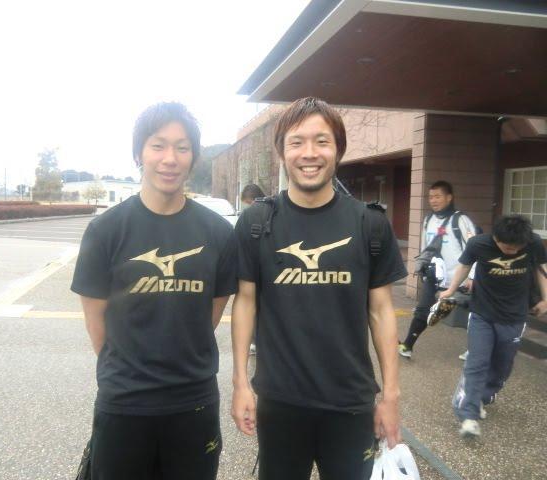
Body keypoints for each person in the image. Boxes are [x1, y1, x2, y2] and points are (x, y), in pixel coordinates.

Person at [230, 97, 407, 480]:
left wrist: (390, 395)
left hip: (350, 402)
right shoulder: (257, 223)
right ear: (282, 152)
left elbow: (381, 311)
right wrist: (240, 382)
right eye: (297, 142)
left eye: (321, 141)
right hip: (280, 402)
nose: (309, 153)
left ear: (338, 150)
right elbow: (245, 303)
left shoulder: (369, 224)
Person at [71, 102, 238, 480]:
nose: (170, 159)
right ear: (139, 154)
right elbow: (96, 322)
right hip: (124, 402)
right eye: (158, 145)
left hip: (193, 401)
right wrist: (132, 370)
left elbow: (209, 316)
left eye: (182, 147)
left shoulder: (217, 233)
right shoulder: (106, 230)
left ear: (193, 157)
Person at [440, 215, 547, 438]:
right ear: (495, 238)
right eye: (507, 247)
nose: (512, 251)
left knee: (502, 365)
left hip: (515, 316)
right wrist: (451, 289)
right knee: (477, 362)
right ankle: (468, 415)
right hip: (482, 314)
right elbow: (464, 266)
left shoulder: (533, 243)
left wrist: (545, 298)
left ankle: (483, 396)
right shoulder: (478, 244)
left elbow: (541, 270)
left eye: (516, 248)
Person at [398, 180, 477, 358]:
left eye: (437, 196)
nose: (433, 200)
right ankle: (407, 346)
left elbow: (475, 249)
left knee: (472, 315)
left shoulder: (460, 220)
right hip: (434, 276)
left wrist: (472, 276)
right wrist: (423, 269)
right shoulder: (428, 220)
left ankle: (475, 350)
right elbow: (425, 247)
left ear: (449, 197)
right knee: (422, 311)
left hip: (459, 278)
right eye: (431, 197)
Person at [239, 183, 266, 355]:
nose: (249, 208)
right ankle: (255, 340)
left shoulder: (269, 214)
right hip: (252, 272)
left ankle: (257, 340)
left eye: (249, 203)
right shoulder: (248, 219)